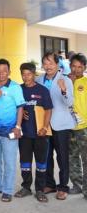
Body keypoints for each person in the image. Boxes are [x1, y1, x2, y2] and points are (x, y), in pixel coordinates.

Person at [0, 59, 25, 202]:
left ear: (9, 72)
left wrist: (18, 127)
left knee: (9, 162)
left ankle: (7, 190)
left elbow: (20, 107)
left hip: (10, 131)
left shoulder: (15, 87)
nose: (1, 73)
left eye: (4, 71)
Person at [37, 52, 75, 200]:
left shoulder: (65, 80)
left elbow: (69, 102)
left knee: (62, 157)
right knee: (46, 156)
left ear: (58, 65)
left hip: (61, 124)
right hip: (44, 124)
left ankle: (63, 187)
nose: (48, 66)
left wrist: (64, 90)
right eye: (45, 63)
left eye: (51, 63)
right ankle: (50, 184)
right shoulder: (39, 80)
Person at [14, 63, 53, 203]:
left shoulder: (42, 90)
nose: (26, 77)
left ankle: (40, 189)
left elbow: (48, 110)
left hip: (40, 133)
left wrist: (45, 127)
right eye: (23, 74)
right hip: (24, 134)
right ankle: (26, 187)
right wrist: (20, 111)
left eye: (29, 74)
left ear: (34, 74)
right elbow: (13, 106)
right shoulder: (18, 89)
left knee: (41, 163)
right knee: (25, 162)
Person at [68, 53, 87, 198]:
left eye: (80, 67)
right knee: (72, 157)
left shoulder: (86, 82)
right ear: (70, 66)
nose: (76, 69)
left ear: (84, 68)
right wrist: (71, 83)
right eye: (74, 66)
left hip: (84, 127)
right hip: (69, 127)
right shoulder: (65, 81)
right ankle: (77, 185)